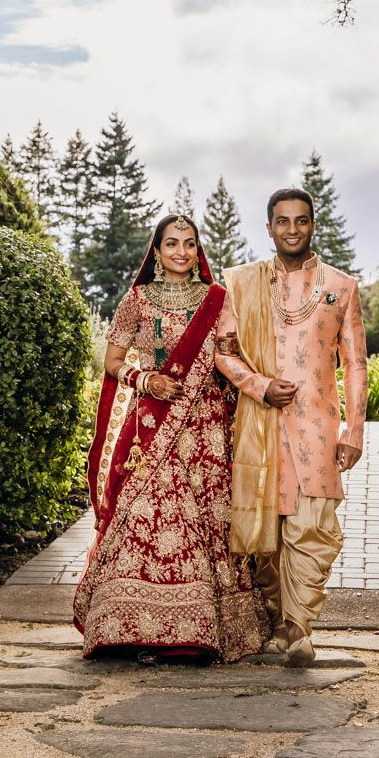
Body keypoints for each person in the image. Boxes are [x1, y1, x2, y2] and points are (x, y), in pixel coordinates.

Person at [72, 214, 267, 664]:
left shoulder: (218, 301)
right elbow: (112, 361)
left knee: (202, 521)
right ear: (156, 252)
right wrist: (146, 381)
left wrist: (255, 378)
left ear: (199, 250)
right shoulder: (136, 300)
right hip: (151, 427)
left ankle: (193, 634)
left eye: (190, 243)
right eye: (172, 243)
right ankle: (130, 628)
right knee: (146, 515)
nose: (181, 251)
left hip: (204, 431)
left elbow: (227, 356)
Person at [218, 187, 368, 667]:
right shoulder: (241, 285)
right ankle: (278, 624)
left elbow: (356, 365)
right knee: (263, 533)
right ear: (269, 229)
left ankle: (299, 628)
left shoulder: (341, 286)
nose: (292, 230)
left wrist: (355, 431)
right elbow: (223, 350)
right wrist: (259, 385)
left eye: (301, 221)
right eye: (282, 222)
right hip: (258, 423)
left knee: (314, 528)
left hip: (318, 428)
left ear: (313, 225)